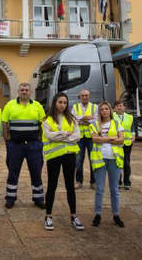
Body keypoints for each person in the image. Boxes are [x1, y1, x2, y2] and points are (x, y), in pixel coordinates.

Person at [43, 92, 85, 231]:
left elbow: (77, 136)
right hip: (54, 156)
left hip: (69, 155)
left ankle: (74, 216)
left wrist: (61, 136)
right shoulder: (47, 119)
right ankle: (48, 216)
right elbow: (49, 136)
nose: (62, 105)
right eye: (60, 102)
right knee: (52, 186)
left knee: (70, 186)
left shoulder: (71, 118)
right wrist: (66, 134)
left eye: (65, 102)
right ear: (55, 102)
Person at [2, 82, 46, 209]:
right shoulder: (10, 105)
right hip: (15, 145)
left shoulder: (37, 106)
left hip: (33, 146)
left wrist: (40, 141)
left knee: (36, 172)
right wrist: (7, 141)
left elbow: (42, 124)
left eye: (27, 89)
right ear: (18, 91)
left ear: (30, 92)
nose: (24, 91)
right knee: (13, 172)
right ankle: (10, 198)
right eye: (22, 90)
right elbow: (5, 124)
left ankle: (38, 198)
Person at [90, 101, 126, 228]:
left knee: (114, 189)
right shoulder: (94, 124)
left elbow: (121, 139)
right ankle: (97, 214)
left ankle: (116, 214)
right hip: (100, 159)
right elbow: (95, 139)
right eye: (102, 109)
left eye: (106, 109)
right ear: (99, 112)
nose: (104, 111)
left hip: (114, 159)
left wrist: (103, 139)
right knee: (99, 189)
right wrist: (111, 139)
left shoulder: (117, 123)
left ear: (110, 110)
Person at [72, 89, 96, 190]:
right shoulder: (75, 107)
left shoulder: (95, 107)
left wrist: (80, 119)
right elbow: (73, 119)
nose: (84, 97)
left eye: (86, 95)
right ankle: (79, 181)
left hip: (91, 137)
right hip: (79, 137)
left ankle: (93, 182)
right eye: (82, 96)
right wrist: (86, 118)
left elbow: (96, 120)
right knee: (78, 160)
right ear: (79, 97)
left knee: (93, 160)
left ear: (89, 96)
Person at [113, 100, 134, 190]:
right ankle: (118, 181)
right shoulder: (111, 116)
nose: (119, 107)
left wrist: (134, 135)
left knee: (126, 162)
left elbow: (133, 127)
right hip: (116, 142)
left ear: (124, 107)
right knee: (117, 162)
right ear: (115, 108)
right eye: (117, 106)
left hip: (127, 143)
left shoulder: (130, 117)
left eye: (121, 106)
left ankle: (127, 182)